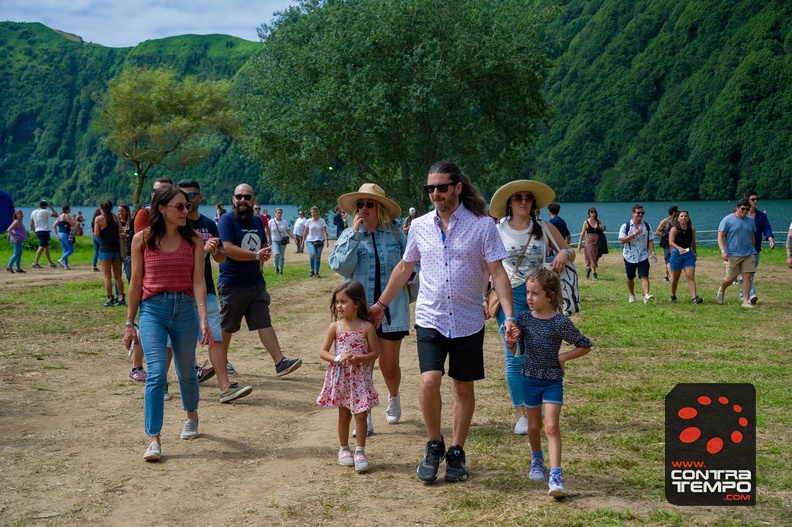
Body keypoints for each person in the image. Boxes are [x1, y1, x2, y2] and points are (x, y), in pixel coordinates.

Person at [369, 160, 516, 483]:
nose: (435, 193)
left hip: (467, 320)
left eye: (441, 187)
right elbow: (405, 269)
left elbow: (497, 273)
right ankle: (434, 444)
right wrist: (380, 305)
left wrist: (509, 316)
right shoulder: (420, 226)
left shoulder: (482, 225)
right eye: (430, 188)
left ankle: (457, 452)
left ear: (458, 188)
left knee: (463, 387)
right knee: (429, 381)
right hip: (430, 317)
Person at [124, 186, 212, 462]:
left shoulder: (194, 240)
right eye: (180, 206)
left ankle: (191, 416)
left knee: (186, 370)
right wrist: (129, 322)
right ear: (162, 209)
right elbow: (136, 283)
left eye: (186, 206)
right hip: (153, 311)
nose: (186, 211)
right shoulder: (142, 239)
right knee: (156, 373)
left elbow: (199, 280)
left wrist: (203, 319)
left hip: (185, 309)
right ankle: (154, 439)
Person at [486, 180, 573, 436]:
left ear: (533, 204)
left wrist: (564, 254)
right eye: (517, 198)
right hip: (508, 295)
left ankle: (537, 404)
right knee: (514, 355)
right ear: (509, 204)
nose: (523, 201)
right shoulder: (497, 229)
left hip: (538, 295)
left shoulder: (543, 228)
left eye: (527, 198)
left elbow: (567, 249)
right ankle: (521, 414)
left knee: (538, 351)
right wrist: (483, 297)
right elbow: (488, 266)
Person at [329, 183, 411, 435]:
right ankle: (364, 416)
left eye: (369, 204)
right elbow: (340, 266)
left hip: (391, 310)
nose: (363, 209)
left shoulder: (396, 234)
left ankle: (393, 396)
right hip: (358, 314)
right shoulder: (349, 235)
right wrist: (354, 233)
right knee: (361, 368)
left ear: (380, 208)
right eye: (360, 205)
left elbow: (412, 265)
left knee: (388, 365)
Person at [503, 269, 591, 498]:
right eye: (528, 293)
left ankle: (556, 475)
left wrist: (563, 357)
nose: (529, 298)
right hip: (529, 380)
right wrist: (511, 343)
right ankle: (536, 459)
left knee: (551, 427)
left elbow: (584, 344)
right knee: (534, 427)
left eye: (535, 293)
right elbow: (517, 350)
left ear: (550, 295)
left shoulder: (561, 322)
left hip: (552, 381)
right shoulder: (523, 318)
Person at [217, 183, 303, 379]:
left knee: (263, 321)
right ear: (233, 199)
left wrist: (264, 251)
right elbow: (228, 249)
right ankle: (220, 361)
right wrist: (257, 255)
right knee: (227, 325)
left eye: (247, 197)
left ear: (253, 201)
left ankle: (280, 362)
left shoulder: (256, 221)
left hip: (256, 282)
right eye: (238, 197)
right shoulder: (226, 220)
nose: (242, 200)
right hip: (233, 282)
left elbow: (263, 243)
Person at [178, 179, 252, 402]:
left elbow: (221, 256)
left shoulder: (209, 224)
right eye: (183, 196)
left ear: (200, 198)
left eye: (192, 196)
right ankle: (162, 384)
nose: (187, 201)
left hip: (205, 287)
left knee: (215, 336)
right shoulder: (176, 224)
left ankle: (225, 387)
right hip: (178, 288)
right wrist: (200, 249)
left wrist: (212, 251)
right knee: (174, 341)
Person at [317, 281, 380, 473]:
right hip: (341, 377)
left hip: (360, 377)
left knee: (361, 414)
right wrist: (338, 358)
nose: (339, 306)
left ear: (357, 303)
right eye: (337, 302)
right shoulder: (335, 327)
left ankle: (360, 451)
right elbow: (323, 351)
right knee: (343, 414)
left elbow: (375, 353)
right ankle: (344, 448)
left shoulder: (367, 327)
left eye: (343, 301)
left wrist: (360, 358)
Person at [717, 199, 757, 307]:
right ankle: (722, 288)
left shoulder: (750, 220)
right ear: (737, 208)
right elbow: (720, 236)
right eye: (743, 209)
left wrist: (753, 248)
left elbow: (752, 235)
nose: (745, 211)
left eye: (747, 209)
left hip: (748, 253)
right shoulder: (727, 220)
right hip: (732, 254)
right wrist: (723, 251)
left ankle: (745, 301)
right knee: (731, 278)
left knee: (747, 275)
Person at [618, 204, 657, 304]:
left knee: (644, 276)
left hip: (643, 255)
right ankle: (632, 294)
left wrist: (653, 252)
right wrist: (634, 233)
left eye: (642, 213)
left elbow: (651, 240)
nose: (640, 215)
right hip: (629, 256)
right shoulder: (625, 226)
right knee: (630, 277)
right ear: (633, 213)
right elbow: (622, 240)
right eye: (638, 213)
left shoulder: (647, 226)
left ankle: (646, 295)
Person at [742, 191, 774, 303]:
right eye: (753, 199)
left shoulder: (762, 216)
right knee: (748, 272)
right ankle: (751, 294)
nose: (756, 201)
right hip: (742, 249)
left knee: (751, 272)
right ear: (747, 201)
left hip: (756, 249)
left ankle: (743, 294)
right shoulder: (742, 215)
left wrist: (770, 240)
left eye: (757, 199)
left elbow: (767, 229)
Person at [95, 200, 126, 308]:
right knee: (118, 276)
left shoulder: (98, 219)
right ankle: (121, 297)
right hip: (116, 249)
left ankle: (110, 298)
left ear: (102, 208)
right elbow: (121, 231)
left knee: (107, 276)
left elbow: (96, 234)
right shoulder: (115, 217)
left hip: (105, 249)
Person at [668, 211, 701, 304]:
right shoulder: (674, 229)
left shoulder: (691, 229)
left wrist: (695, 253)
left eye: (685, 216)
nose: (683, 218)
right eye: (681, 216)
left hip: (688, 253)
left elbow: (693, 242)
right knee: (675, 277)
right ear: (678, 219)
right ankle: (673, 295)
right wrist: (679, 248)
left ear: (688, 218)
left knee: (690, 276)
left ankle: (694, 298)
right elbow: (671, 242)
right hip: (676, 253)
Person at [576, 207, 605, 281]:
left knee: (596, 256)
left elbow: (602, 230)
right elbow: (582, 234)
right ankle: (594, 275)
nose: (593, 213)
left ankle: (588, 268)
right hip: (589, 241)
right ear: (589, 213)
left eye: (594, 212)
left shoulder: (598, 221)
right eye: (591, 212)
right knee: (592, 256)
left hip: (598, 240)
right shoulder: (586, 222)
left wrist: (601, 228)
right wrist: (579, 244)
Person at [30, 200, 58, 268]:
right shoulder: (45, 211)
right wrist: (51, 207)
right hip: (44, 231)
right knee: (42, 246)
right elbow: (56, 215)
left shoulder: (33, 212)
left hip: (38, 231)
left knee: (46, 247)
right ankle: (35, 262)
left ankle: (50, 262)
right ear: (45, 206)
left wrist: (34, 231)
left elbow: (31, 224)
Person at [655, 205, 679, 283]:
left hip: (675, 243)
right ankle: (672, 277)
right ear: (674, 212)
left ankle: (666, 276)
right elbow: (657, 231)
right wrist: (666, 235)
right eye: (677, 211)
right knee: (668, 260)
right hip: (667, 244)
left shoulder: (677, 221)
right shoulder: (665, 221)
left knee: (672, 260)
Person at [269, 208, 295, 274]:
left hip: (282, 241)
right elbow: (267, 230)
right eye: (278, 213)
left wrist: (294, 238)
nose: (279, 214)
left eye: (280, 213)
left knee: (282, 256)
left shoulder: (284, 222)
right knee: (276, 254)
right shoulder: (271, 221)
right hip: (274, 240)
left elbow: (288, 230)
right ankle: (276, 267)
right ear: (275, 214)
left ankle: (281, 270)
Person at [305, 206, 329, 278]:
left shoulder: (322, 221)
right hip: (310, 240)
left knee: (318, 257)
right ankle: (312, 270)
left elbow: (324, 231)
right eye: (311, 212)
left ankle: (317, 272)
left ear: (317, 212)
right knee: (313, 254)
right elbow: (305, 231)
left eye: (314, 212)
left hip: (319, 241)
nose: (312, 214)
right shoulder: (308, 221)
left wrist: (326, 240)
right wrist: (302, 241)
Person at [54, 205, 76, 270]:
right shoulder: (66, 216)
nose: (70, 210)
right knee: (71, 250)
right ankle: (61, 259)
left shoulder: (60, 216)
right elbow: (73, 224)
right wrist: (74, 217)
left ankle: (66, 265)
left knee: (65, 250)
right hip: (65, 234)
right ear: (66, 210)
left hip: (60, 234)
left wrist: (56, 235)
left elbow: (54, 225)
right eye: (69, 209)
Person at [118, 204, 134, 283]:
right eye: (119, 211)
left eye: (122, 211)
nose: (120, 213)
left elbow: (134, 236)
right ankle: (119, 294)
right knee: (117, 276)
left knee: (129, 275)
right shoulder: (116, 223)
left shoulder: (132, 223)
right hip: (118, 250)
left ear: (127, 212)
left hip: (128, 252)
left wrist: (127, 236)